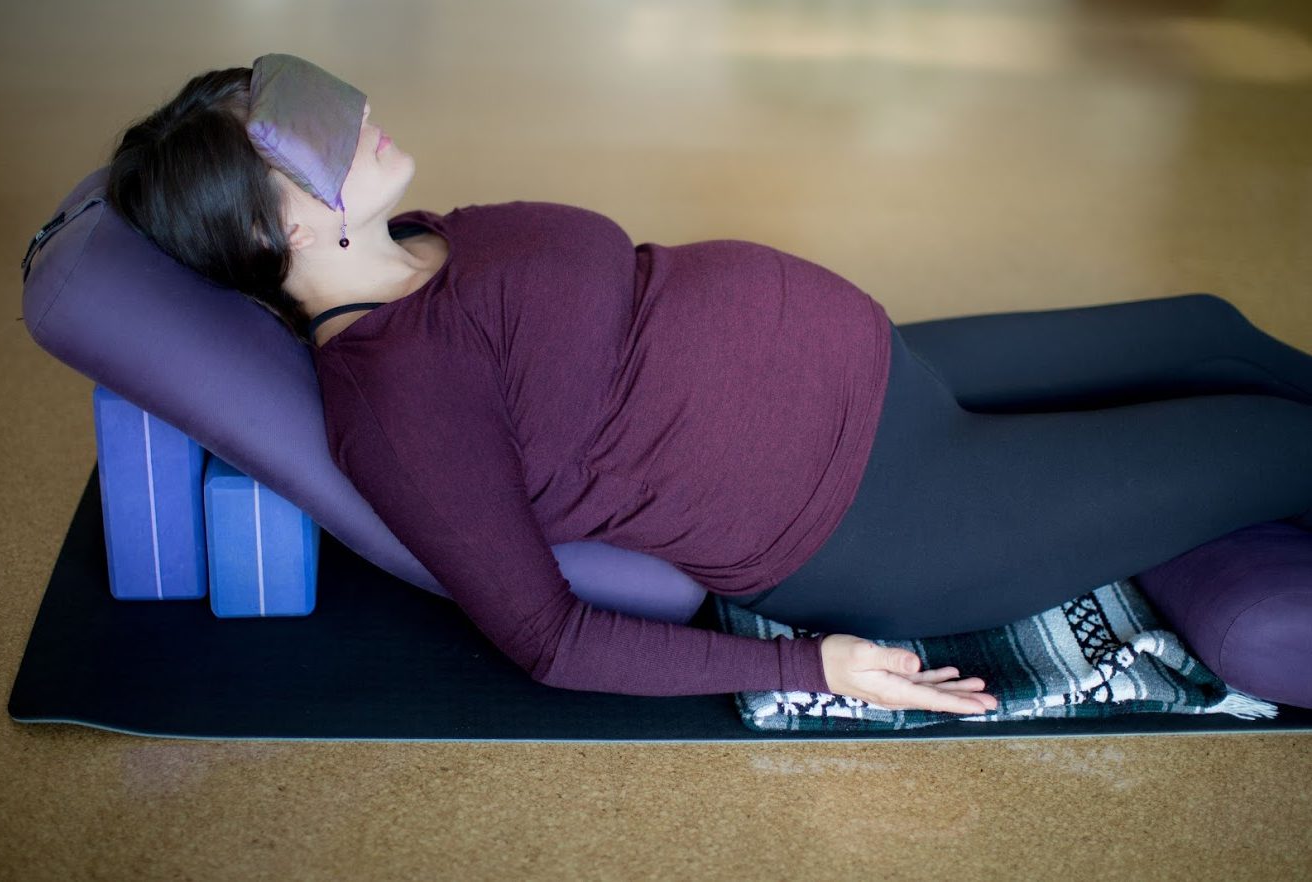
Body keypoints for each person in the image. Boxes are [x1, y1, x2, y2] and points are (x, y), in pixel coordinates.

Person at [104, 60, 1312, 717]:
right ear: (275, 241)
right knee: (1271, 447)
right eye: (299, 143)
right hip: (886, 514)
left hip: (895, 373)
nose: (352, 118)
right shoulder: (394, 404)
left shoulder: (419, 233)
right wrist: (814, 668)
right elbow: (546, 638)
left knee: (1205, 327)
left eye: (312, 100)